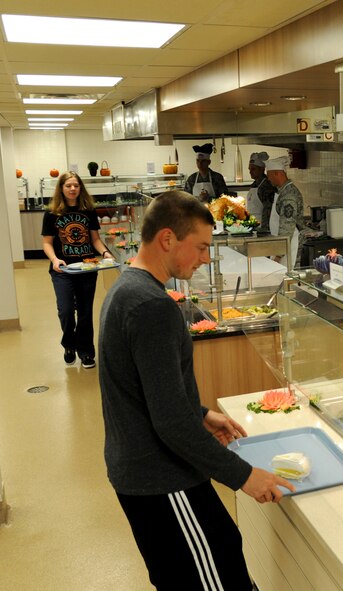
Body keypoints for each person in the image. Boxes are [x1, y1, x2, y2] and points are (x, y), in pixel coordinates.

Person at [97, 190, 295, 589]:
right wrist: (244, 477)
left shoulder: (128, 289)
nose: (206, 257)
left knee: (209, 559)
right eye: (202, 246)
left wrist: (201, 413)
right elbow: (169, 422)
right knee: (215, 574)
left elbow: (148, 386)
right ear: (168, 239)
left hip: (144, 470)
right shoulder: (152, 307)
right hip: (161, 477)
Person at [41, 171, 114, 368]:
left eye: (76, 185)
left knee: (84, 311)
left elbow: (95, 239)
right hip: (62, 270)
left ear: (80, 188)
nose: (73, 189)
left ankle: (86, 352)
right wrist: (55, 259)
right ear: (61, 189)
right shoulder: (52, 213)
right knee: (65, 311)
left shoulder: (88, 210)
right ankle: (69, 343)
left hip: (87, 268)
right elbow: (47, 243)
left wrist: (105, 253)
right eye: (68, 186)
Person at [265, 155, 307, 267]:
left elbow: (287, 227)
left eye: (269, 175)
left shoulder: (289, 195)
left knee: (288, 278)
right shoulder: (283, 191)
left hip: (289, 246)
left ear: (277, 173)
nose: (268, 179)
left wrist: (279, 254)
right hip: (282, 245)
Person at [246, 151, 275, 231]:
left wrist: (264, 230)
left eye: (253, 169)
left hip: (262, 229)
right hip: (253, 227)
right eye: (249, 169)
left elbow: (268, 211)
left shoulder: (266, 186)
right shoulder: (254, 185)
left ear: (262, 169)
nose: (250, 172)